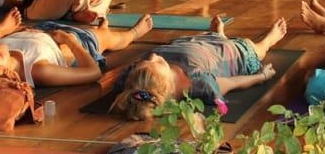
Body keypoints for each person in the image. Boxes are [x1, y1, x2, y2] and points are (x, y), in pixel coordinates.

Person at [112, 16, 287, 120]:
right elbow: (232, 83)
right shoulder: (199, 83)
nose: (152, 56)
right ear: (167, 83)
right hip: (232, 55)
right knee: (253, 48)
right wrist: (262, 76)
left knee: (200, 39)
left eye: (146, 60)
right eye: (156, 63)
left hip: (194, 43)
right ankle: (268, 40)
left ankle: (217, 34)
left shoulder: (133, 77)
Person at [0, 14, 154, 87]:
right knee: (109, 38)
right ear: (3, 72)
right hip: (77, 43)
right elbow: (93, 72)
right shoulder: (38, 70)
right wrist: (70, 41)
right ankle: (135, 32)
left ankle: (97, 26)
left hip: (45, 28)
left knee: (95, 28)